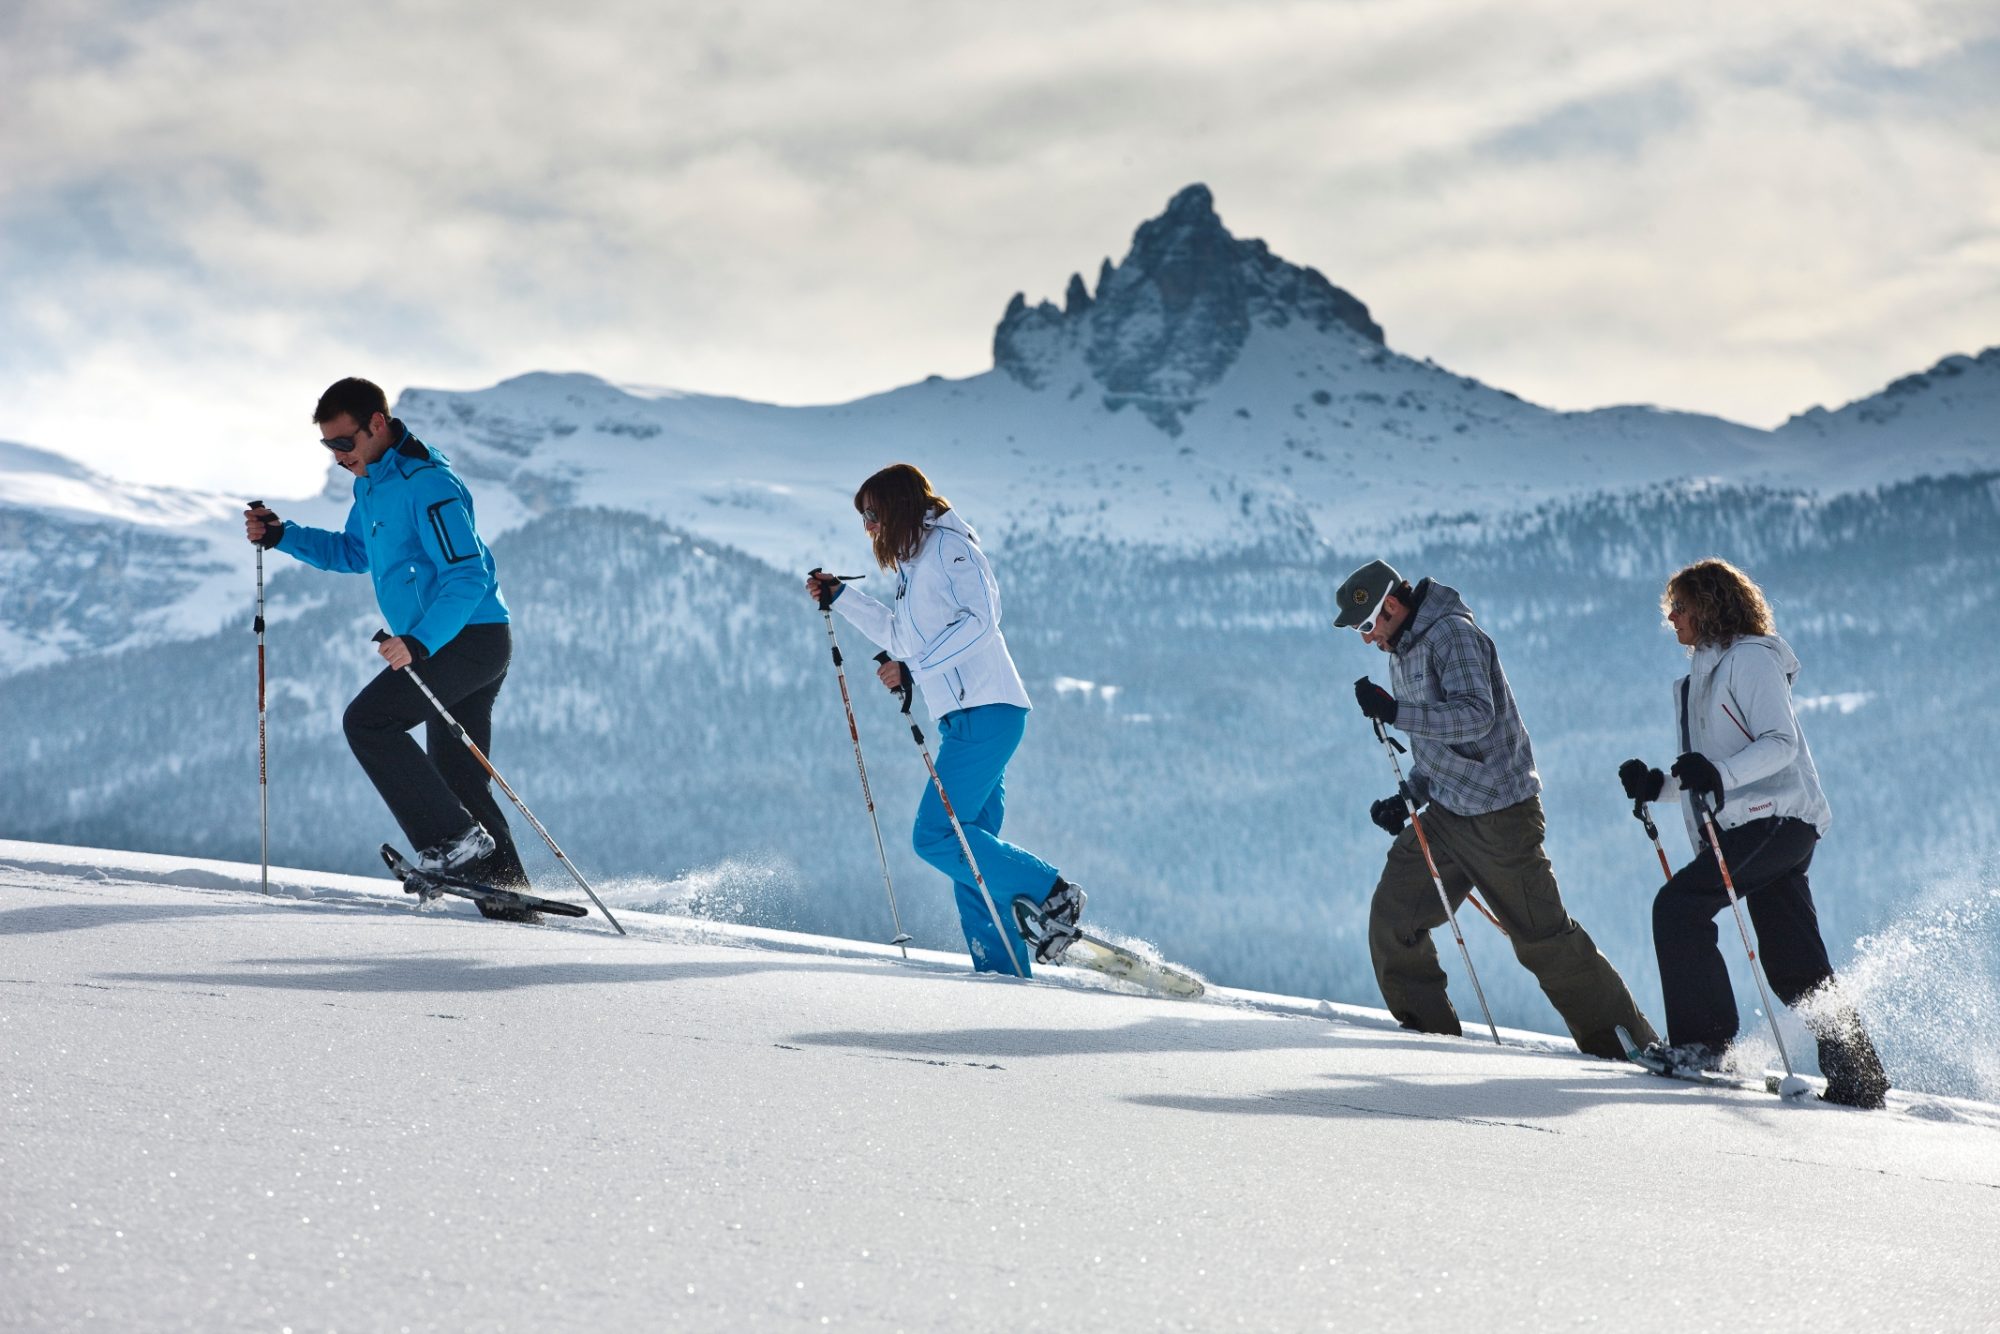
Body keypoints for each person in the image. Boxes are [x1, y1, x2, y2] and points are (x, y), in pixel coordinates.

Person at [1336, 558, 1658, 1059]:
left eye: (1365, 625)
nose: (1364, 638)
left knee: (1542, 938)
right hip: (1446, 813)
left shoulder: (1451, 636)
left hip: (1500, 817)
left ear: (1392, 606)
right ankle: (1430, 1043)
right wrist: (1410, 795)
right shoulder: (1402, 645)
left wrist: (1395, 713)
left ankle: (1630, 1047)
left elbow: (1475, 716)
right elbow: (1441, 744)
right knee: (1394, 914)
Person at [244, 377, 531, 919]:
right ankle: (511, 901)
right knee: (458, 779)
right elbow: (355, 552)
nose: (338, 457)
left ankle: (451, 845)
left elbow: (467, 576)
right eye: (328, 446)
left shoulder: (429, 483)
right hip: (449, 641)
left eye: (344, 443)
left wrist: (421, 641)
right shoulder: (371, 483)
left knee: (369, 722)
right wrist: (284, 535)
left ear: (377, 424)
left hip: (468, 639)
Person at [1618, 558, 1890, 1107]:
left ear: (1710, 606)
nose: (1672, 619)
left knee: (1679, 906)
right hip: (1758, 824)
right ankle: (1859, 1076)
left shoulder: (1750, 661)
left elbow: (1778, 743)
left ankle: (1702, 1045)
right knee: (1795, 964)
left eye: (1681, 607)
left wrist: (1717, 774)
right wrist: (1659, 787)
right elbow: (1709, 769)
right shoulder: (1700, 677)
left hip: (1778, 817)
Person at [804, 463, 1082, 975]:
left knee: (934, 835)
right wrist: (843, 599)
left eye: (872, 513)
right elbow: (903, 636)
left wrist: (917, 664)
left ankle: (1053, 893)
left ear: (897, 506)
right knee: (970, 854)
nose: (867, 526)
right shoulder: (914, 564)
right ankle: (1001, 969)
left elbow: (982, 619)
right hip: (963, 718)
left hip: (988, 711)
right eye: (862, 516)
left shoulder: (950, 549)